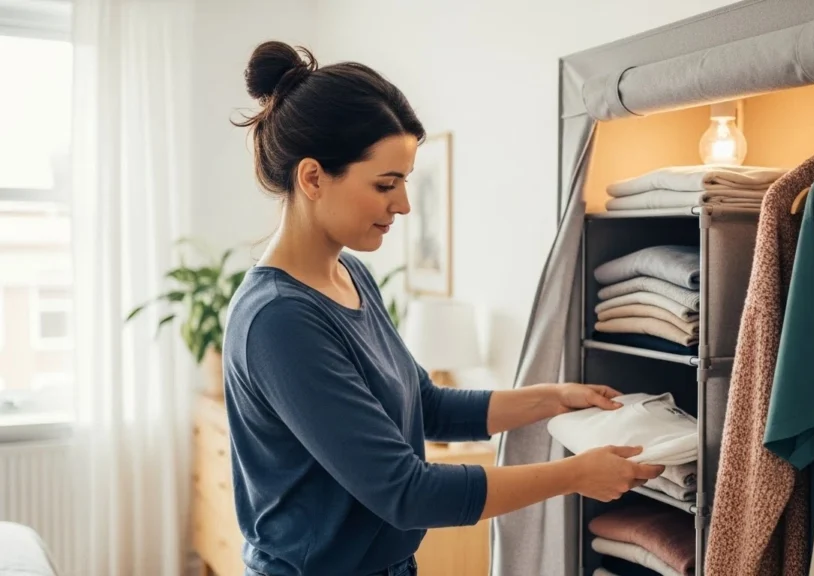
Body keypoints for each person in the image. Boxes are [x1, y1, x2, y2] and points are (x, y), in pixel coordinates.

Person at [222, 40, 664, 576]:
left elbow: (424, 405)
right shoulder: (280, 320)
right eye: (386, 184)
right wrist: (574, 475)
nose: (403, 205)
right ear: (313, 178)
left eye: (405, 181)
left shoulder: (350, 275)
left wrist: (550, 398)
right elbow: (407, 493)